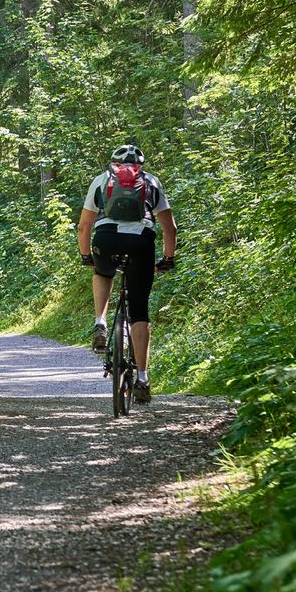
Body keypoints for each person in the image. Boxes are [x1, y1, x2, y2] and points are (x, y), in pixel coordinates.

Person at [77, 144, 177, 403]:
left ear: (113, 162)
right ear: (141, 163)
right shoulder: (152, 181)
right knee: (139, 310)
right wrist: (167, 259)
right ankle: (142, 378)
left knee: (102, 273)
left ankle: (100, 321)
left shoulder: (101, 180)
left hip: (107, 240)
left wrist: (87, 256)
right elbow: (170, 227)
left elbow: (83, 226)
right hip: (141, 242)